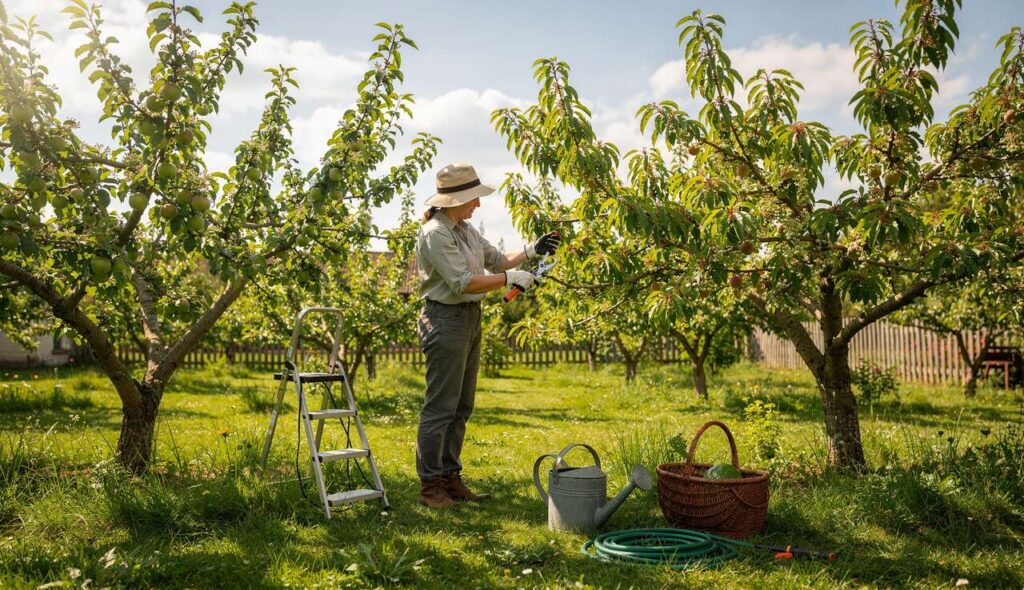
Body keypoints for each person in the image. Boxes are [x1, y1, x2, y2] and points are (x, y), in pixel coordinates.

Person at [414, 162, 560, 508]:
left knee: (461, 406)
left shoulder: (464, 229)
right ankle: (430, 487)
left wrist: (532, 250)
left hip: (469, 318)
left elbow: (496, 260)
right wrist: (510, 280)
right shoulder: (436, 233)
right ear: (454, 200)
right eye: (473, 198)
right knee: (441, 407)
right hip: (445, 319)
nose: (478, 204)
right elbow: (462, 283)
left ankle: (450, 478)